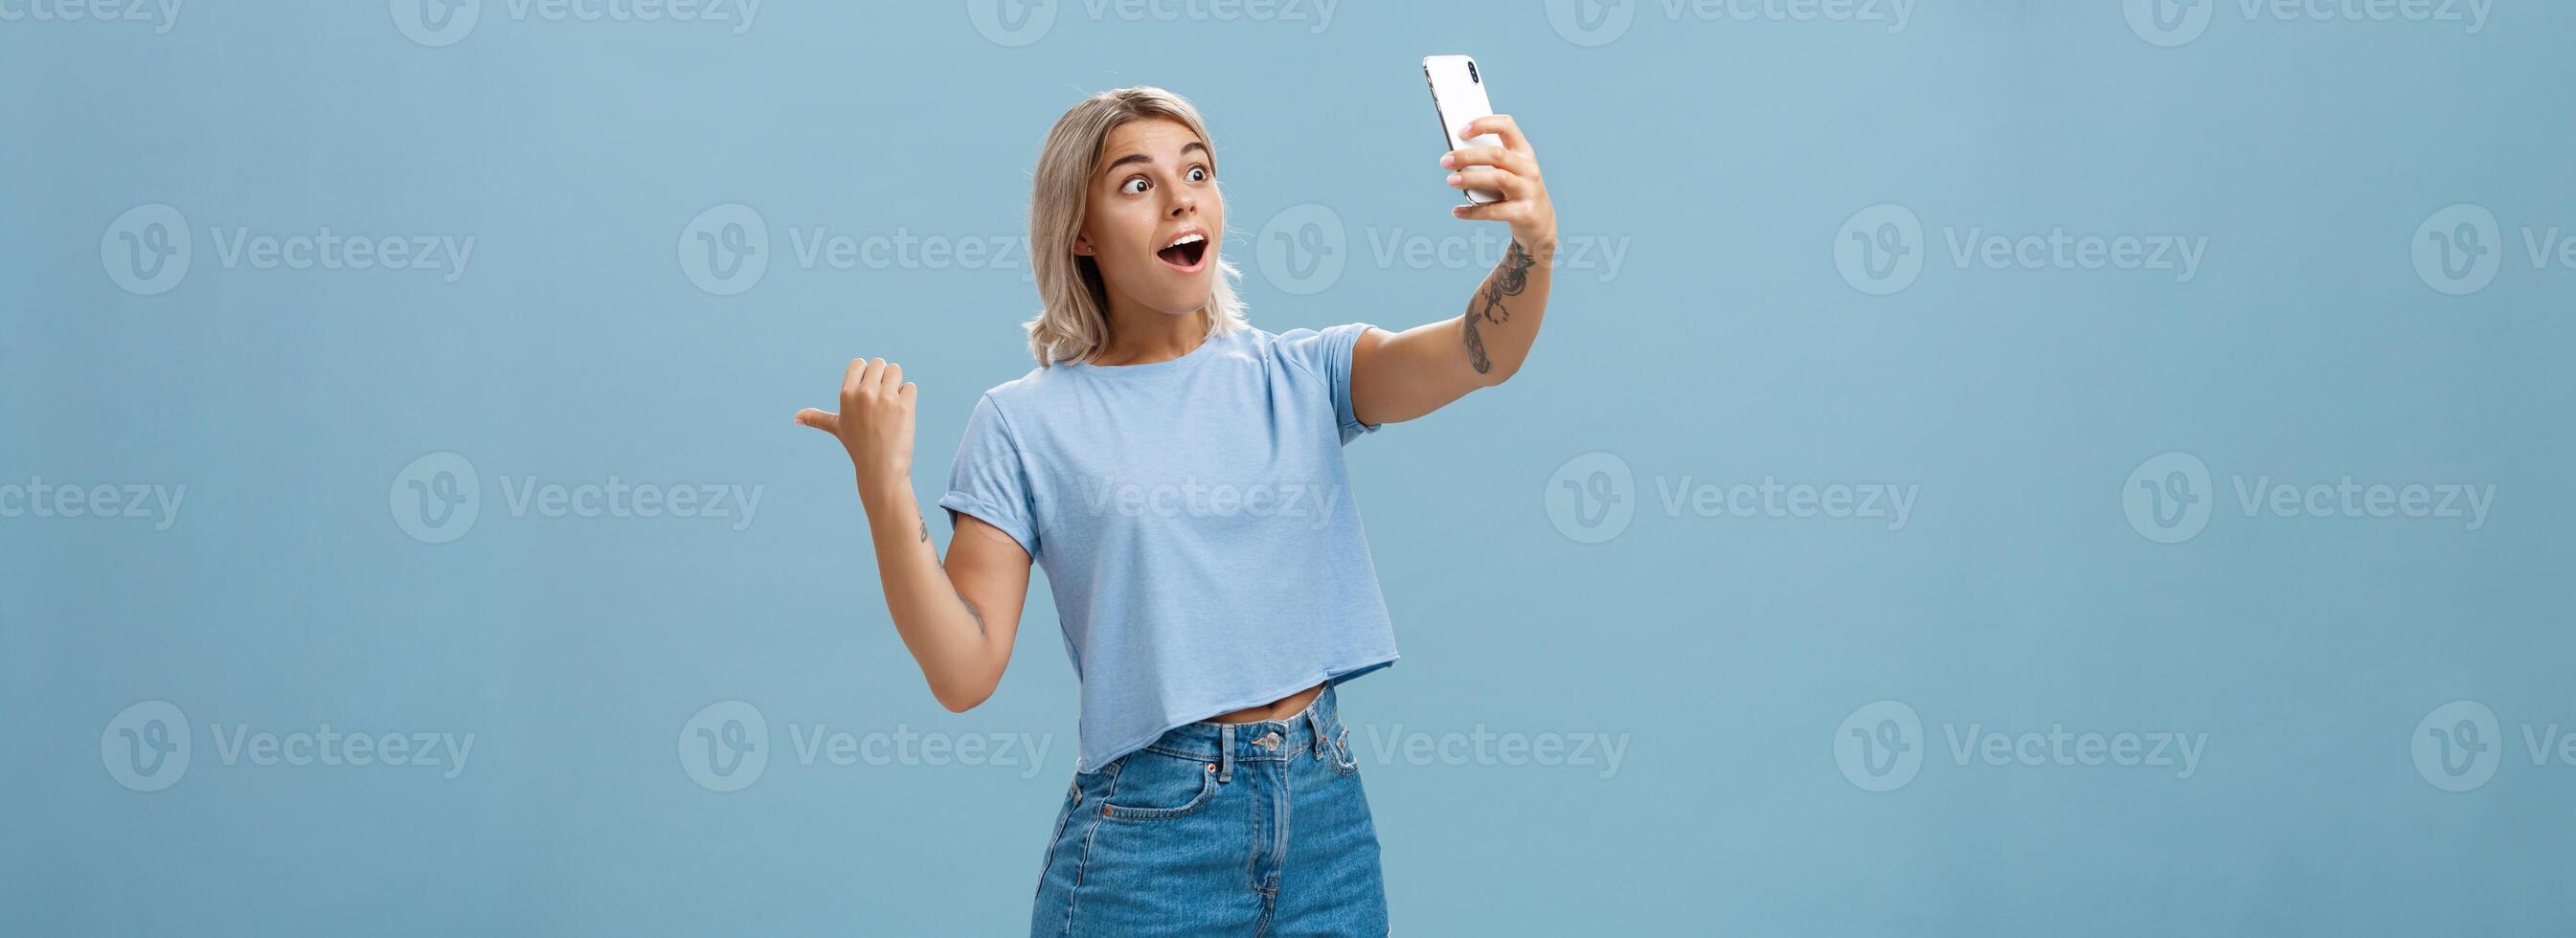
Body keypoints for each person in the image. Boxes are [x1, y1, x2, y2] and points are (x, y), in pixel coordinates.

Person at [793, 86, 1555, 936]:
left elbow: (1479, 353)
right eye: (1136, 183)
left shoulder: (1302, 375)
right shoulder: (1023, 421)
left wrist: (1535, 247)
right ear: (1079, 232)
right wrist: (884, 489)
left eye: (1197, 172)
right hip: (1151, 843)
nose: (1182, 195)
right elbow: (964, 669)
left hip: (1325, 818)